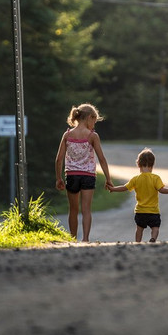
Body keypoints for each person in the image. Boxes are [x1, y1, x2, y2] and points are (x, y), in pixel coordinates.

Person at [54, 102, 113, 242]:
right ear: (89, 118)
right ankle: (85, 239)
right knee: (86, 210)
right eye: (94, 120)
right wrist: (108, 179)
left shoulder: (67, 135)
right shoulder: (92, 136)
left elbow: (58, 159)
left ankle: (73, 239)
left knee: (73, 210)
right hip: (88, 176)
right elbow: (102, 159)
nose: (94, 124)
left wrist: (58, 178)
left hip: (72, 175)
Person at [108, 147, 168, 242]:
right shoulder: (155, 178)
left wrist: (113, 189)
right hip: (153, 211)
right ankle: (153, 238)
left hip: (140, 211)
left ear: (138, 164)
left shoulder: (135, 179)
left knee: (139, 229)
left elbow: (124, 187)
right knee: (155, 227)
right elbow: (162, 190)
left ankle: (137, 242)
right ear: (152, 165)